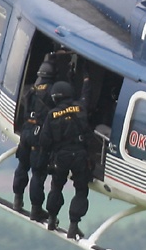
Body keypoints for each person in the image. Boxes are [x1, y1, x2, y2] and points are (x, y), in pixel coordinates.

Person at [37, 75, 92, 240]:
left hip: (61, 157)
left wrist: (47, 159)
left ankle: (52, 219)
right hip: (79, 156)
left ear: (55, 97)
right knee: (81, 190)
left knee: (57, 187)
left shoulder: (52, 115)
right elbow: (88, 134)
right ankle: (73, 226)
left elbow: (44, 141)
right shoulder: (80, 108)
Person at [13, 61, 57, 216]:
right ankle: (36, 208)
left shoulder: (31, 90)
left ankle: (17, 199)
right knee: (38, 173)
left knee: (22, 166)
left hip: (26, 132)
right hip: (38, 137)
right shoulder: (52, 92)